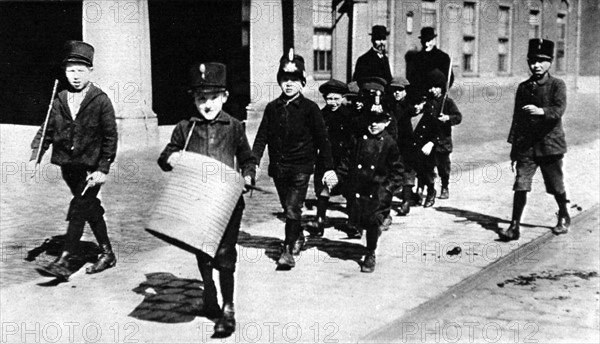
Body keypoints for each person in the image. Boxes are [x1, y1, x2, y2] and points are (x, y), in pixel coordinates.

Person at [157, 62, 257, 337]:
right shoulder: (185, 128)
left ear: (224, 96)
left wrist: (248, 176)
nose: (207, 104)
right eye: (201, 98)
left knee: (225, 254)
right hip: (197, 201)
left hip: (227, 202)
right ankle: (209, 292)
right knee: (203, 252)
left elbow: (248, 158)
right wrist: (172, 158)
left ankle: (228, 308)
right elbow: (165, 156)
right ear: (194, 99)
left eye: (213, 97)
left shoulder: (234, 126)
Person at [30, 40, 118, 279]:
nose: (75, 76)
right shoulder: (60, 98)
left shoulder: (100, 100)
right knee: (90, 208)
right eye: (71, 70)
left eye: (80, 70)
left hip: (92, 167)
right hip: (68, 167)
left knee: (80, 207)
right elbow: (48, 127)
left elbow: (111, 137)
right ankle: (107, 254)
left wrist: (103, 168)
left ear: (90, 71)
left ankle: (65, 260)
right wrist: (37, 149)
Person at [252, 49, 337, 270]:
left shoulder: (311, 109)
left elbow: (323, 140)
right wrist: (253, 162)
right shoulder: (272, 108)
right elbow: (261, 137)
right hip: (279, 168)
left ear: (302, 82)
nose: (289, 84)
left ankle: (287, 250)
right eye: (284, 79)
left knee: (292, 208)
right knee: (288, 207)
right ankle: (297, 235)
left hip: (301, 167)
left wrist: (328, 168)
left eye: (294, 80)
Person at [499, 39, 570, 241]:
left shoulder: (557, 85)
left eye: (541, 61)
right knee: (521, 184)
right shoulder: (523, 88)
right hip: (526, 147)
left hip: (550, 146)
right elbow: (517, 118)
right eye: (532, 61)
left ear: (550, 62)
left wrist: (541, 112)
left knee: (555, 185)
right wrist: (514, 149)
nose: (536, 65)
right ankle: (514, 227)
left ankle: (563, 214)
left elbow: (558, 110)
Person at [337, 109, 403, 272]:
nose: (373, 125)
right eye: (370, 121)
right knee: (358, 219)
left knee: (373, 222)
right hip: (358, 187)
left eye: (378, 121)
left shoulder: (389, 143)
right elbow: (347, 160)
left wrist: (386, 189)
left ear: (386, 122)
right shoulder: (358, 139)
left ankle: (370, 252)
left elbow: (397, 170)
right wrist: (339, 177)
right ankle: (362, 233)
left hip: (378, 190)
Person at [307, 79, 352, 237]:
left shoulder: (349, 115)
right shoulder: (320, 115)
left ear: (342, 98)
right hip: (325, 158)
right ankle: (320, 219)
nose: (332, 102)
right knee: (323, 189)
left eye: (336, 98)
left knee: (349, 189)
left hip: (345, 158)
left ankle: (353, 222)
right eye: (329, 98)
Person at [396, 92, 441, 209]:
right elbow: (400, 135)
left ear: (424, 103)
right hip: (409, 152)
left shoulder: (429, 117)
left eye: (419, 104)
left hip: (424, 153)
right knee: (407, 176)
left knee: (426, 175)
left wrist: (431, 143)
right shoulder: (405, 118)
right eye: (413, 104)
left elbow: (438, 133)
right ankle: (405, 202)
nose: (416, 107)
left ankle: (431, 192)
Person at [427, 69, 462, 199]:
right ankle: (430, 189)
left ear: (442, 88)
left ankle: (445, 187)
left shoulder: (447, 102)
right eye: (431, 87)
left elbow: (458, 117)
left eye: (436, 87)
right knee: (429, 166)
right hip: (430, 140)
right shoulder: (428, 102)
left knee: (443, 167)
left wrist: (447, 118)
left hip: (443, 141)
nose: (433, 90)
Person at [387, 76, 414, 215]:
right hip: (393, 143)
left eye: (399, 90)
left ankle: (406, 201)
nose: (396, 93)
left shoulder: (411, 107)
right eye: (394, 90)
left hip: (408, 144)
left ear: (405, 91)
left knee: (407, 172)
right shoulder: (388, 106)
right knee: (391, 171)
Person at [407, 27, 454, 98]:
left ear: (434, 40)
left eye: (429, 41)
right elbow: (412, 78)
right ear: (421, 41)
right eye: (424, 41)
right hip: (421, 97)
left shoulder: (443, 57)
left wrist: (441, 89)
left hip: (437, 97)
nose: (426, 44)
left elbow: (449, 77)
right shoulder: (416, 58)